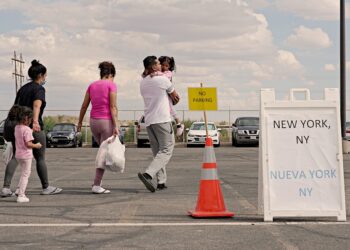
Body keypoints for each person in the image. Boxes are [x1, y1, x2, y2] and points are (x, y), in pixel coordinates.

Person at [0, 60, 62, 197]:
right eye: (45, 75)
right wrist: (35, 122)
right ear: (40, 75)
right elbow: (36, 106)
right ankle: (46, 187)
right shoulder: (39, 89)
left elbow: (15, 107)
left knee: (16, 156)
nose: (45, 78)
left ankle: (5, 188)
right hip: (33, 126)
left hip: (18, 126)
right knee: (40, 158)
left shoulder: (23, 89)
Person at [138, 55, 179, 192]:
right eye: (158, 63)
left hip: (149, 121)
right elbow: (176, 98)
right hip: (162, 119)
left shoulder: (143, 82)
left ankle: (161, 181)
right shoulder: (163, 80)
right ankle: (148, 174)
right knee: (167, 149)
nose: (160, 65)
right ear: (154, 66)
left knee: (158, 153)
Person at [77, 61, 119, 194]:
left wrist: (79, 123)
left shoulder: (92, 85)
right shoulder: (111, 85)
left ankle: (98, 182)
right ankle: (96, 184)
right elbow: (112, 107)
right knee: (103, 153)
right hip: (106, 121)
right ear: (111, 74)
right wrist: (116, 125)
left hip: (93, 122)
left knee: (102, 151)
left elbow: (84, 106)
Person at [14, 107, 42, 203]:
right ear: (26, 119)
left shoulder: (17, 128)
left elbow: (23, 134)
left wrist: (30, 131)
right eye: (30, 119)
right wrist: (37, 145)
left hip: (18, 155)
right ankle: (21, 195)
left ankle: (18, 190)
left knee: (23, 173)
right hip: (26, 156)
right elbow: (28, 144)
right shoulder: (27, 130)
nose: (31, 121)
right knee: (26, 174)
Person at [158, 56, 184, 137]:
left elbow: (163, 77)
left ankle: (179, 124)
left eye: (166, 66)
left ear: (169, 67)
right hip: (162, 94)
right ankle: (175, 124)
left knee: (170, 108)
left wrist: (156, 73)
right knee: (166, 109)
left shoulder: (168, 73)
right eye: (162, 65)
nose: (164, 67)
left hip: (168, 94)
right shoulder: (159, 73)